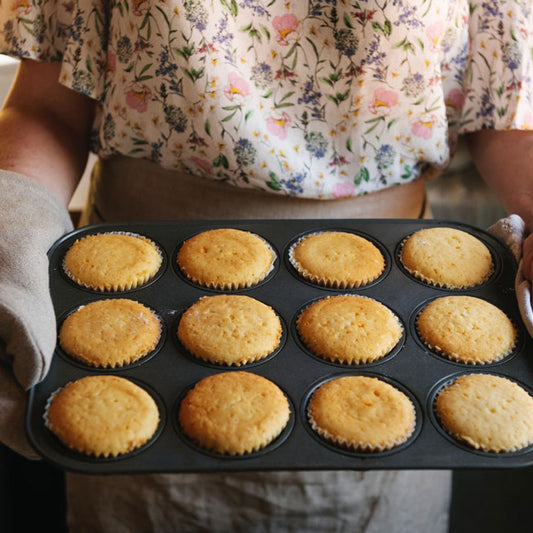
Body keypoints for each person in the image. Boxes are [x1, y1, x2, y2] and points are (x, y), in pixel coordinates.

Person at [0, 1, 532, 531]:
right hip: (136, 302)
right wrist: (11, 236)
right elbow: (45, 107)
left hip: (397, 295)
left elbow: (508, 108)